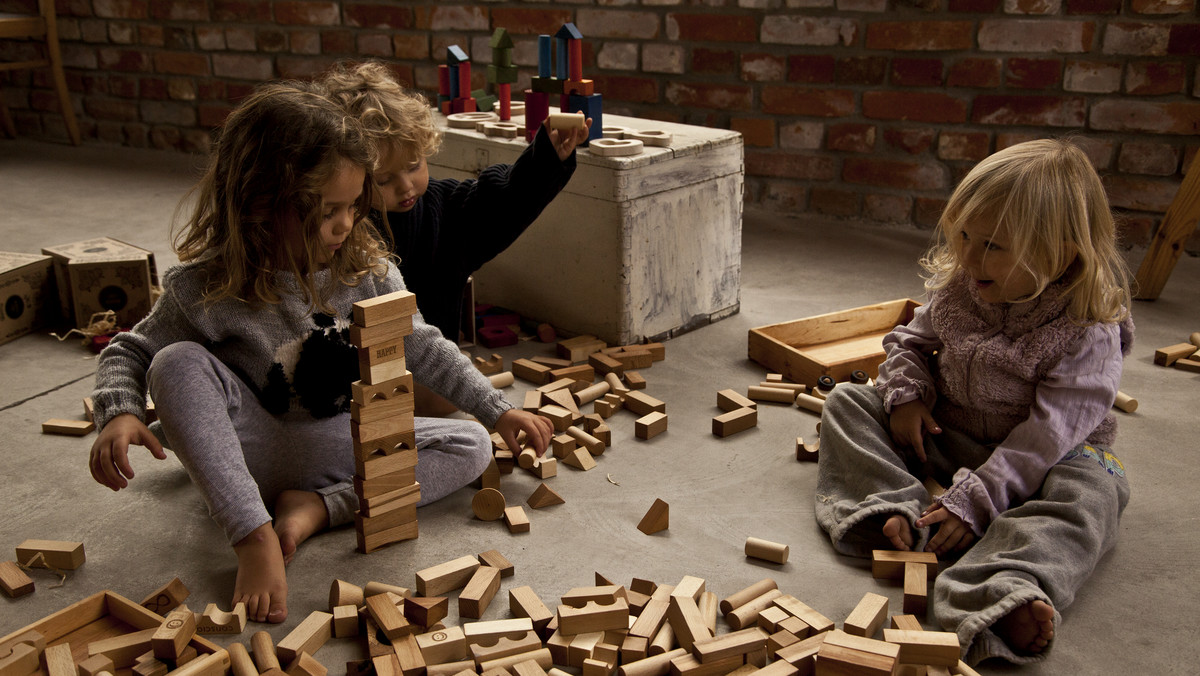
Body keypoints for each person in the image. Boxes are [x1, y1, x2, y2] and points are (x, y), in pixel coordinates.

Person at [87, 82, 553, 625]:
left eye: (355, 207)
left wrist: (496, 410)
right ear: (261, 202)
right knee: (175, 364)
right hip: (248, 449)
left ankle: (318, 508)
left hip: (336, 443)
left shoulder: (370, 270)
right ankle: (252, 534)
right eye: (328, 209)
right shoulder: (204, 286)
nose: (346, 224)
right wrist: (118, 411)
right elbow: (131, 349)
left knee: (470, 444)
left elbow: (421, 344)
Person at [814, 139, 1133, 666]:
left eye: (993, 245)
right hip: (951, 436)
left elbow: (1048, 435)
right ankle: (893, 508)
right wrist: (907, 397)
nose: (968, 255)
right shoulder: (963, 287)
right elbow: (909, 343)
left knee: (1091, 496)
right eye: (963, 233)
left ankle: (1003, 586)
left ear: (1064, 253)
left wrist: (982, 495)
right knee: (849, 402)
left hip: (1048, 461)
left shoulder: (1086, 329)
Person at [318, 61, 591, 415]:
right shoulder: (340, 229)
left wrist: (547, 160)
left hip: (428, 367)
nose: (405, 187)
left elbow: (501, 203)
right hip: (357, 378)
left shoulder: (444, 210)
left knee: (449, 396)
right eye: (383, 180)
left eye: (414, 165)